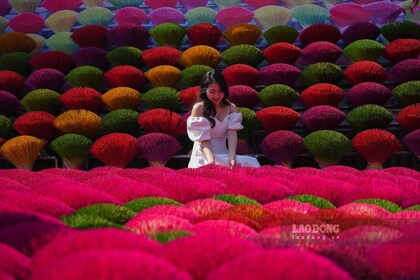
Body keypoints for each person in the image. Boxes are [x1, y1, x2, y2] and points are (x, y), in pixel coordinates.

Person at [186, 70, 260, 168]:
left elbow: (232, 133)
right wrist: (211, 161)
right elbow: (203, 140)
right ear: (205, 90)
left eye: (220, 91)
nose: (216, 95)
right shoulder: (199, 108)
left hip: (223, 154)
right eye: (212, 91)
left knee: (251, 163)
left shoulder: (231, 108)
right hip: (204, 154)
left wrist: (232, 157)